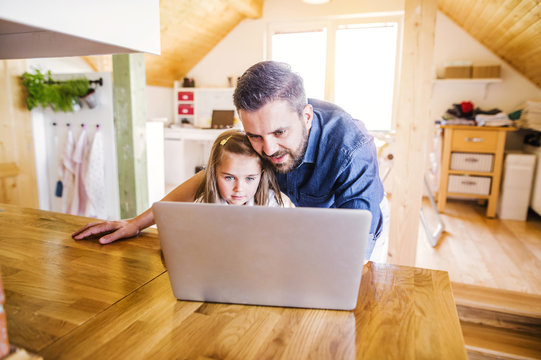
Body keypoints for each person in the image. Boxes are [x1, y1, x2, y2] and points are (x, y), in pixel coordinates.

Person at [73, 61, 384, 257]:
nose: (269, 149)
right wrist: (137, 223)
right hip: (304, 224)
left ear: (305, 117)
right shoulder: (264, 132)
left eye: (279, 132)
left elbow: (355, 245)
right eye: (255, 136)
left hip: (353, 230)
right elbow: (203, 179)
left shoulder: (351, 150)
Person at [194, 129, 292, 207]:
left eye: (249, 178)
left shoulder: (271, 203)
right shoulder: (203, 204)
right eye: (229, 178)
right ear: (214, 173)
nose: (239, 188)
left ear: (261, 175)